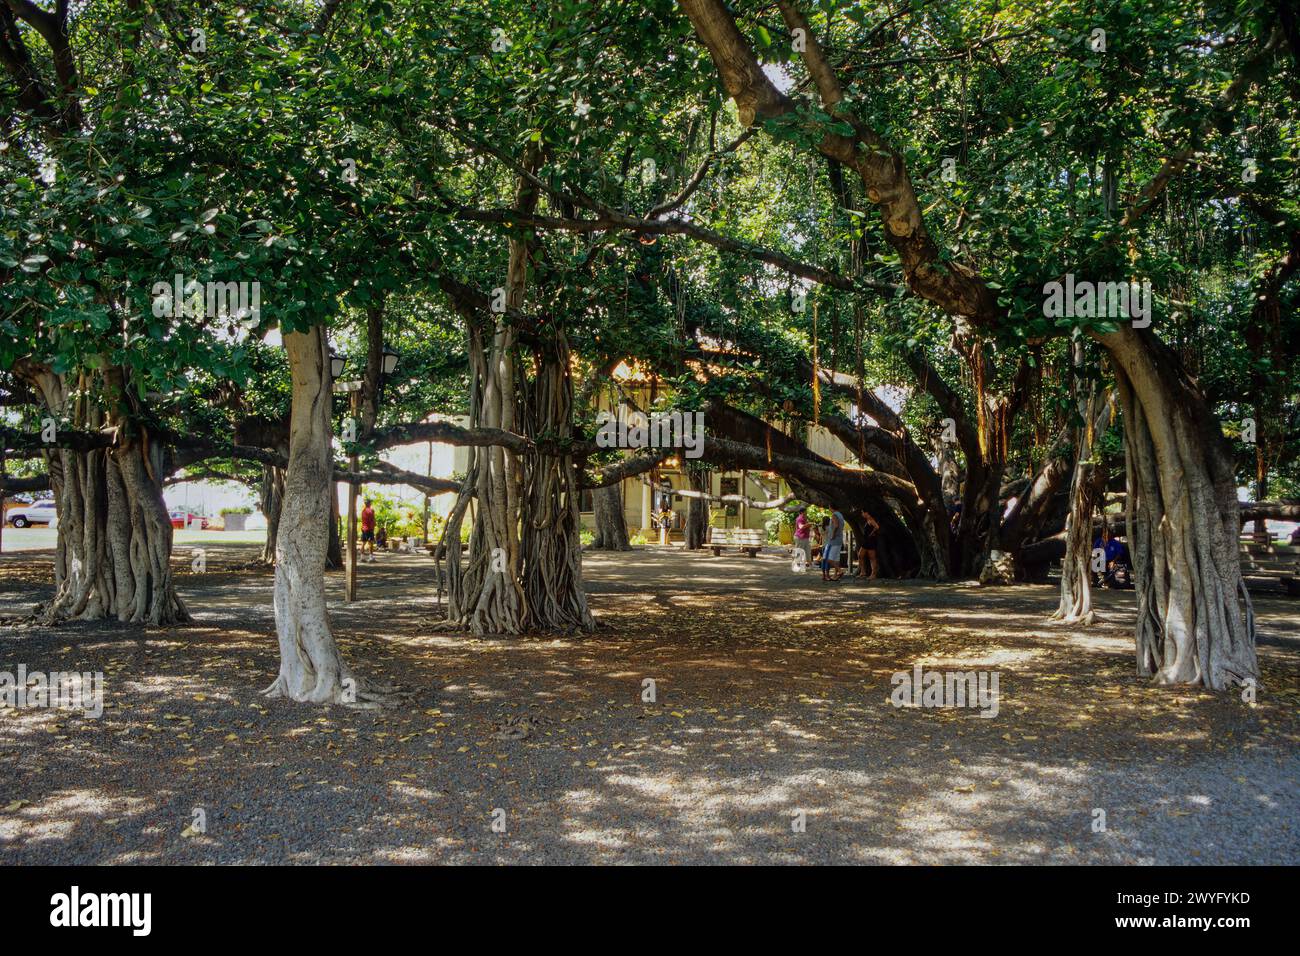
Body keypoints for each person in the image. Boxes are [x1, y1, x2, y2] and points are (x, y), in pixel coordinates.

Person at [855, 508, 880, 579]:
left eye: (863, 513)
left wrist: (871, 533)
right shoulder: (868, 520)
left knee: (872, 558)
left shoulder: (871, 520)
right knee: (860, 555)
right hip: (866, 541)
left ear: (867, 513)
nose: (862, 514)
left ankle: (873, 574)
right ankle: (863, 572)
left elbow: (877, 527)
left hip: (870, 541)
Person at [821, 508, 845, 581]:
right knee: (836, 559)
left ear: (831, 507)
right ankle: (835, 575)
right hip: (838, 540)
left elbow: (836, 525)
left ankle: (839, 571)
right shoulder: (841, 515)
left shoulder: (834, 515)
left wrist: (833, 535)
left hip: (832, 541)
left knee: (828, 558)